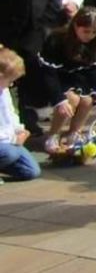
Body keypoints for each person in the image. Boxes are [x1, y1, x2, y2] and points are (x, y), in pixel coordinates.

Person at [0, 0, 63, 134]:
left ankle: (27, 121)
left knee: (28, 78)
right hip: (3, 31)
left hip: (30, 32)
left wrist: (46, 23)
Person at [32, 7, 96, 146]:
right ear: (75, 25)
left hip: (77, 77)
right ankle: (52, 135)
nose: (90, 36)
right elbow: (48, 72)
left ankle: (74, 132)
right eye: (86, 31)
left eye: (94, 32)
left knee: (88, 100)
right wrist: (59, 99)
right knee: (71, 100)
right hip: (54, 77)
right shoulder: (56, 40)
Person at [0, 49, 40, 181]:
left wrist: (19, 130)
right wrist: (13, 139)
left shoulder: (4, 91)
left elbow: (10, 113)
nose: (11, 84)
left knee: (31, 171)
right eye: (10, 80)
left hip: (7, 140)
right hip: (5, 141)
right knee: (11, 153)